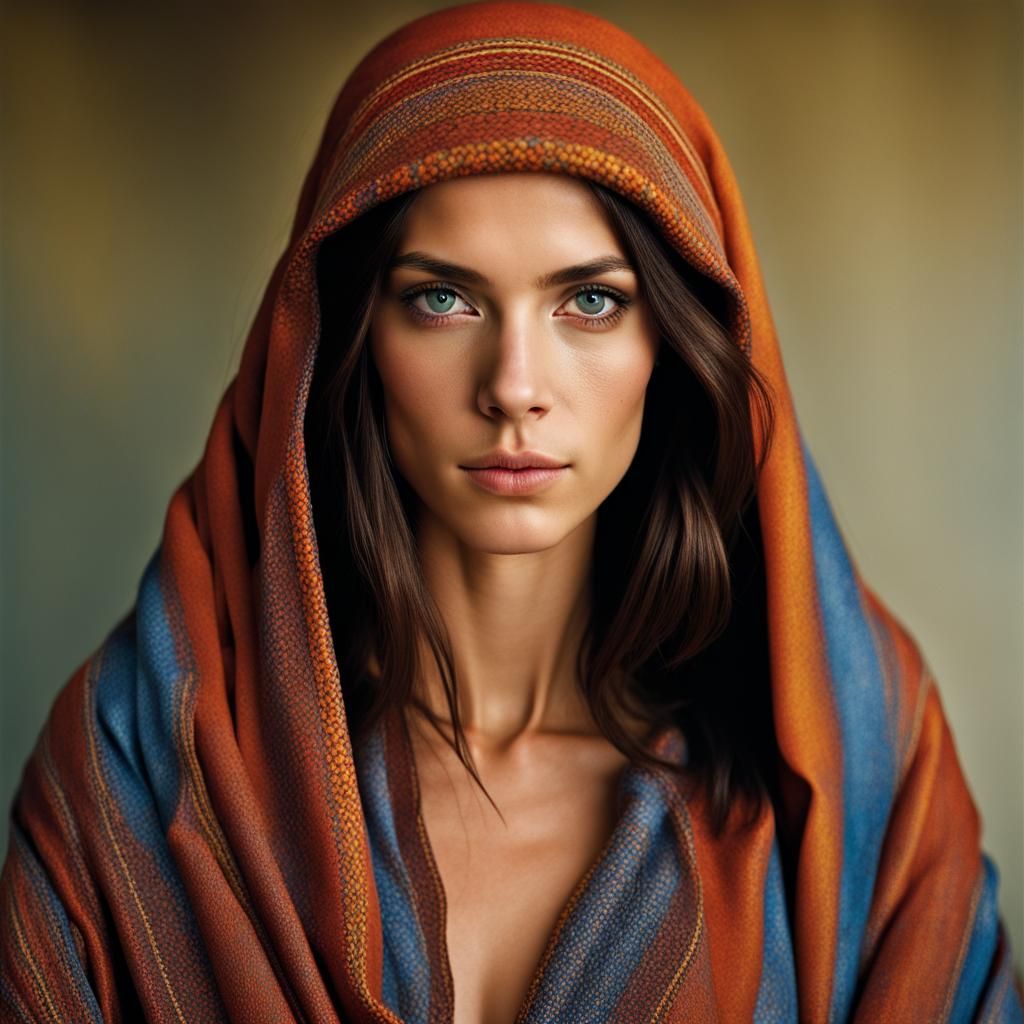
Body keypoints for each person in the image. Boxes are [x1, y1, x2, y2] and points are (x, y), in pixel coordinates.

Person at [1, 2, 1020, 1021]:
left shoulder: (856, 774)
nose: (515, 385)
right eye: (443, 299)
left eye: (590, 301)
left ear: (671, 344)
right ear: (343, 338)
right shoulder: (139, 758)